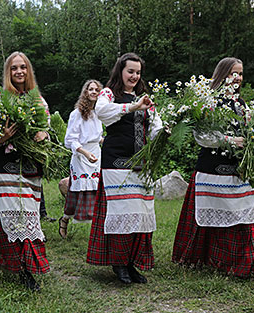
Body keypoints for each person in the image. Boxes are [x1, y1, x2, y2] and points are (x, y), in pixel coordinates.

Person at [171, 57, 254, 282]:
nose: (237, 78)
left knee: (248, 217)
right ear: (222, 74)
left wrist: (252, 134)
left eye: (241, 73)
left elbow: (244, 132)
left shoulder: (241, 104)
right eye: (233, 73)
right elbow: (201, 136)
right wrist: (231, 140)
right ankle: (214, 261)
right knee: (211, 221)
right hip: (211, 172)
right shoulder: (208, 101)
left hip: (237, 172)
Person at [86, 53, 163, 284]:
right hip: (116, 161)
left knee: (140, 214)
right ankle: (119, 264)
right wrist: (132, 106)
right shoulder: (109, 93)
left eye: (138, 72)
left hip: (141, 164)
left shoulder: (144, 98)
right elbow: (102, 113)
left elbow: (154, 125)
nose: (134, 76)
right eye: (130, 71)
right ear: (120, 71)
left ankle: (132, 263)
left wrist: (164, 132)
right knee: (122, 213)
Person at [0, 52, 50, 291]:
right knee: (15, 213)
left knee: (28, 215)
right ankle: (25, 270)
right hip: (5, 164)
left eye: (23, 67)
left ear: (28, 70)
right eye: (14, 68)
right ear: (8, 72)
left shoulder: (38, 100)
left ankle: (1, 253)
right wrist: (0, 137)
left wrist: (43, 134)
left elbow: (46, 129)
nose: (19, 72)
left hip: (31, 166)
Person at [58, 79, 103, 239]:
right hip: (81, 156)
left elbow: (97, 136)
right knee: (76, 194)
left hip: (96, 154)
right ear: (85, 92)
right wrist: (84, 153)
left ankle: (97, 231)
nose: (93, 92)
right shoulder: (76, 114)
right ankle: (64, 220)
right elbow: (70, 139)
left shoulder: (99, 113)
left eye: (96, 90)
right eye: (90, 89)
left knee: (97, 192)